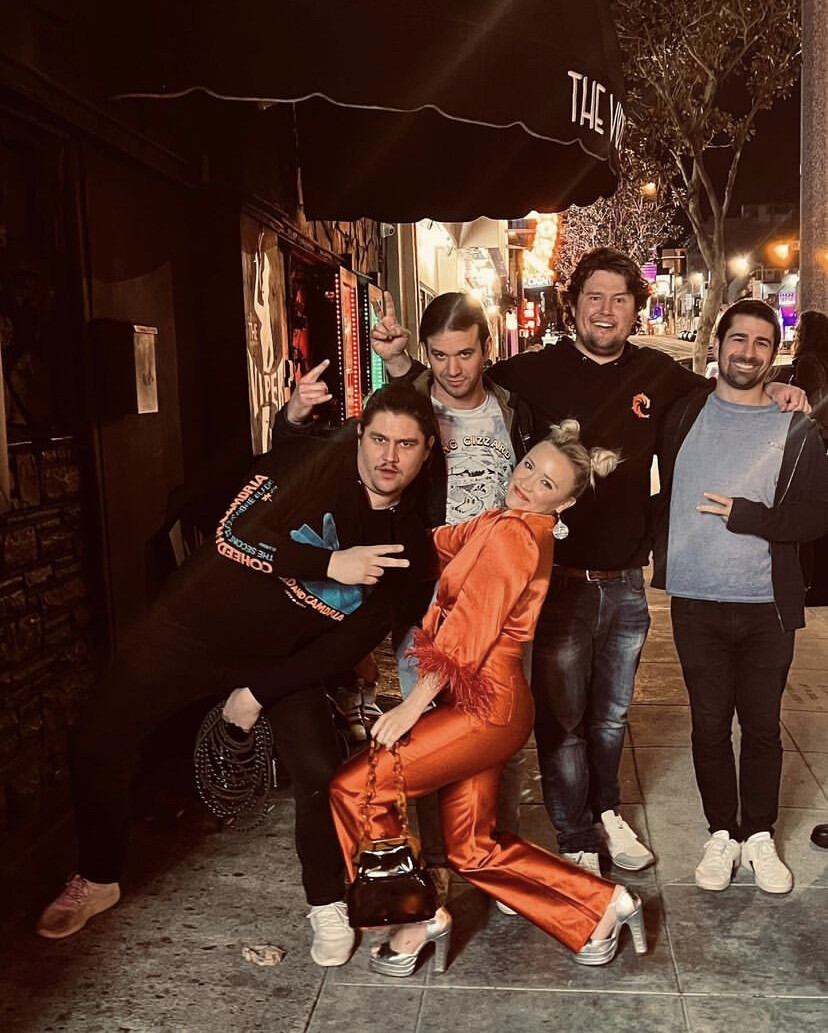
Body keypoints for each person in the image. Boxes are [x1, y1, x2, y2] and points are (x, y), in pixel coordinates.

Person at [378, 248, 807, 877]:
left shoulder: (661, 375)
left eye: (620, 299)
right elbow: (456, 375)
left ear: (635, 308)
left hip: (626, 584)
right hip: (555, 583)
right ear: (573, 304)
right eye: (594, 297)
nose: (606, 310)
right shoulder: (531, 372)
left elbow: (731, 388)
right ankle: (573, 832)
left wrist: (778, 387)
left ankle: (606, 812)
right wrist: (400, 363)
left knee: (612, 717)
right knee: (562, 720)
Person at [35, 383, 438, 968]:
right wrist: (329, 562)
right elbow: (234, 534)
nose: (389, 457)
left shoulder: (409, 545)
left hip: (280, 659)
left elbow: (350, 642)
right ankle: (98, 877)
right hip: (192, 628)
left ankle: (326, 900)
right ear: (359, 435)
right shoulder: (314, 461)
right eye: (379, 439)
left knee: (320, 772)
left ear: (428, 450)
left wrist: (258, 692)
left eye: (406, 444)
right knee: (97, 739)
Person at [330, 421, 648, 973]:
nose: (526, 482)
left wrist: (410, 706)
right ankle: (603, 904)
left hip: (485, 705)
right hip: (486, 704)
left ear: (565, 504)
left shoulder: (515, 537)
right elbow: (433, 544)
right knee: (471, 850)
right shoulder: (503, 522)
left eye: (546, 484)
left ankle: (412, 917)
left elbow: (466, 635)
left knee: (357, 787)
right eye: (529, 466)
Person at [652, 299, 828, 894]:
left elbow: (815, 515)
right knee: (707, 726)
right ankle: (721, 833)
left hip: (765, 606)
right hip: (695, 600)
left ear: (774, 353)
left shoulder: (796, 427)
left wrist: (749, 516)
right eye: (739, 339)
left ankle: (759, 834)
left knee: (762, 727)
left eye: (761, 343)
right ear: (718, 344)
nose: (748, 352)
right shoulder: (682, 412)